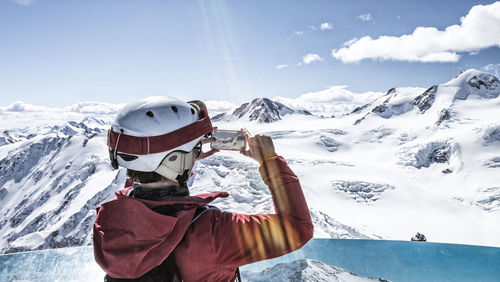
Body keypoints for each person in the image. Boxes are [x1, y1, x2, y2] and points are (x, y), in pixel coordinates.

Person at [93, 96, 314, 281]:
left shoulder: (108, 220)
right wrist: (270, 160)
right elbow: (298, 228)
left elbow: (139, 201)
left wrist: (182, 161)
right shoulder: (214, 232)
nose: (197, 152)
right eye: (194, 149)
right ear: (174, 160)